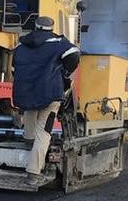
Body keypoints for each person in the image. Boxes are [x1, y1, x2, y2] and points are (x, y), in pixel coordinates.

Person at [12, 15, 80, 184]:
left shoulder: (21, 45)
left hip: (26, 92)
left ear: (35, 26)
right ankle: (33, 173)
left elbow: (14, 68)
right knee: (44, 132)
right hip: (49, 94)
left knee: (29, 109)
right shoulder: (57, 43)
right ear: (51, 27)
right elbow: (74, 54)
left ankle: (28, 139)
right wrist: (65, 71)